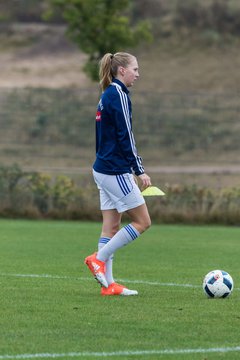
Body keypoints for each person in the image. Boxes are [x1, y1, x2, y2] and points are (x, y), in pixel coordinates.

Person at [84, 52, 151, 296]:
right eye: (135, 69)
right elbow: (126, 136)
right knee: (143, 222)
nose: (138, 74)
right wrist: (139, 170)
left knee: (111, 227)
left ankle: (108, 285)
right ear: (122, 70)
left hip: (102, 169)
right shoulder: (119, 95)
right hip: (114, 170)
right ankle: (98, 259)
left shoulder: (106, 95)